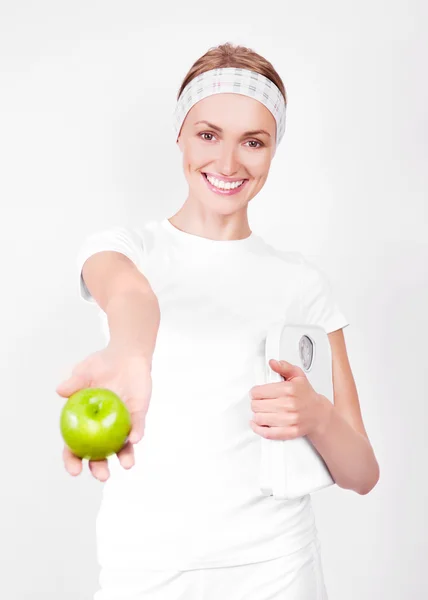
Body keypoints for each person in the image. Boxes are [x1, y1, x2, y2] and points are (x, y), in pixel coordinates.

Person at [57, 42, 350, 599]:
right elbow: (130, 297)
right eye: (208, 134)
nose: (228, 163)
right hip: (145, 573)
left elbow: (362, 470)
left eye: (254, 142)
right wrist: (131, 356)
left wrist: (317, 417)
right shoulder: (123, 249)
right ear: (180, 136)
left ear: (273, 151)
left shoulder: (302, 283)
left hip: (279, 569)